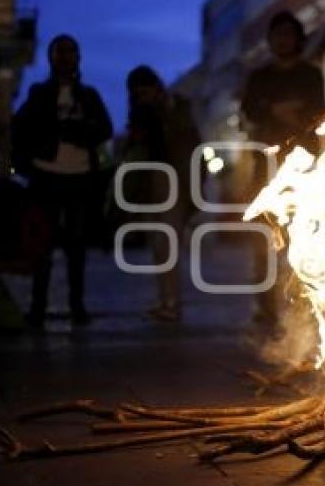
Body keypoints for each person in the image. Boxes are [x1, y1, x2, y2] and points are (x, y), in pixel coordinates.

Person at [11, 34, 113, 328]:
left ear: (78, 58)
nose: (65, 57)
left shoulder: (89, 95)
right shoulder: (39, 93)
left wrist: (76, 132)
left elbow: (104, 128)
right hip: (46, 176)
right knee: (43, 245)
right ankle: (38, 307)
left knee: (77, 245)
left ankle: (77, 306)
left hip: (79, 177)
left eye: (70, 51)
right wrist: (28, 162)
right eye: (59, 52)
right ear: (51, 58)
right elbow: (21, 129)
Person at [240, 11, 325, 323]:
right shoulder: (259, 77)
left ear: (298, 38)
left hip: (302, 166)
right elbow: (248, 108)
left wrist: (297, 116)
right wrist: (272, 109)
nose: (282, 40)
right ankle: (266, 305)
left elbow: (319, 111)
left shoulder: (310, 74)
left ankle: (302, 301)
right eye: (277, 35)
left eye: (288, 34)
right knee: (264, 238)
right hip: (266, 165)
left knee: (302, 235)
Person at [122, 65, 202, 321]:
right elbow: (135, 147)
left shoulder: (178, 107)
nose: (143, 97)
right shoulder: (139, 114)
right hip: (151, 183)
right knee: (158, 247)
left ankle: (173, 302)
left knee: (168, 246)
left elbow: (190, 142)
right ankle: (164, 299)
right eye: (138, 94)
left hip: (175, 181)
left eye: (146, 91)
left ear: (156, 87)